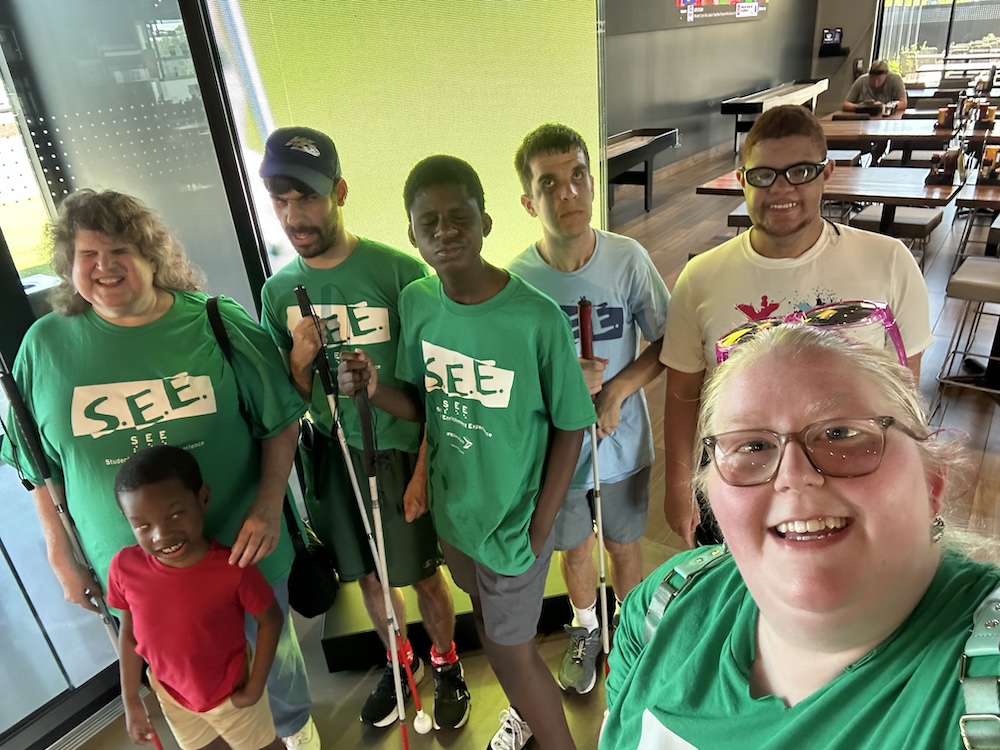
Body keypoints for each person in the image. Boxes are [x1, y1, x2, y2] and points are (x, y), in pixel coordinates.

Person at [0, 189, 320, 750]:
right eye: (87, 255)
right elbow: (39, 467)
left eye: (119, 249)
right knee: (184, 686)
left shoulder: (217, 323)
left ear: (151, 253)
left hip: (239, 553)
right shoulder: (44, 348)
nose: (104, 267)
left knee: (274, 675)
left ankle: (296, 734)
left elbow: (280, 420)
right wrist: (59, 552)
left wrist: (269, 505)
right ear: (67, 266)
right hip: (137, 581)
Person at [603, 324, 1000, 748]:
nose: (793, 477)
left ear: (932, 482)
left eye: (841, 433)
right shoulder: (662, 608)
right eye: (752, 446)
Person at [338, 155, 596, 750]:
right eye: (429, 222)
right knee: (487, 622)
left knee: (508, 653)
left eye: (460, 216)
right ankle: (523, 715)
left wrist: (540, 527)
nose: (445, 231)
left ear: (486, 220)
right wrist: (375, 390)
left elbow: (571, 425)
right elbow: (424, 402)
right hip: (457, 518)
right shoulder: (420, 304)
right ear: (411, 232)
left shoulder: (534, 319)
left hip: (513, 522)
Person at [257, 126, 469, 731]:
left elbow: (438, 386)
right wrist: (299, 364)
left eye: (309, 196)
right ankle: (400, 664)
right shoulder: (277, 294)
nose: (295, 213)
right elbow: (287, 401)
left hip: (401, 452)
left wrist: (424, 470)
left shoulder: (401, 273)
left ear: (340, 191)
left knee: (422, 574)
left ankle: (446, 661)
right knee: (371, 577)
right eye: (282, 198)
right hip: (334, 455)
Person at [660, 104, 931, 547]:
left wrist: (907, 477)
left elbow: (906, 391)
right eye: (764, 175)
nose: (781, 188)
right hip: (744, 478)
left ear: (827, 174)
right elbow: (683, 392)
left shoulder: (888, 262)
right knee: (740, 600)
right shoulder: (701, 278)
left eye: (801, 172)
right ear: (742, 179)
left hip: (851, 472)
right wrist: (678, 485)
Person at [508, 123, 669, 695]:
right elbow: (514, 380)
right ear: (529, 201)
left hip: (621, 441)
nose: (567, 193)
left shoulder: (628, 259)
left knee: (624, 545)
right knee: (574, 548)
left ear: (593, 184)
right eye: (549, 184)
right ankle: (584, 627)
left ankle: (632, 630)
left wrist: (618, 390)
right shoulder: (517, 281)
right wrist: (563, 391)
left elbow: (669, 345)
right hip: (558, 454)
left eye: (578, 176)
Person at [110, 446, 284, 750]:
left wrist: (255, 687)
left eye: (176, 514)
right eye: (143, 526)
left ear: (203, 497)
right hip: (172, 695)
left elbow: (270, 619)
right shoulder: (124, 567)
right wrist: (131, 700)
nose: (161, 536)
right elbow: (129, 633)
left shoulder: (232, 568)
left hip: (233, 693)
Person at [842, 59, 908, 112]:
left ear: (886, 75)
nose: (876, 84)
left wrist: (884, 107)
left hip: (887, 119)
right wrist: (861, 108)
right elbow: (845, 104)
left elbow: (903, 103)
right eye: (872, 80)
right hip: (864, 119)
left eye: (879, 80)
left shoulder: (895, 80)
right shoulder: (861, 81)